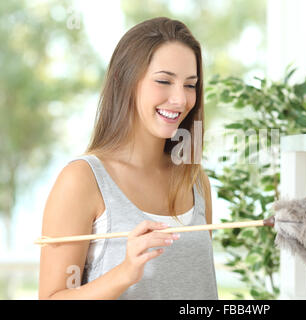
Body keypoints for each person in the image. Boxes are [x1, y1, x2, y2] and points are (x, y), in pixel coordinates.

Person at [38, 17, 218, 300]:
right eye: (163, 81)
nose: (180, 99)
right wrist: (124, 273)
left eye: (190, 85)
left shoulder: (195, 181)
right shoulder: (82, 181)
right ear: (124, 81)